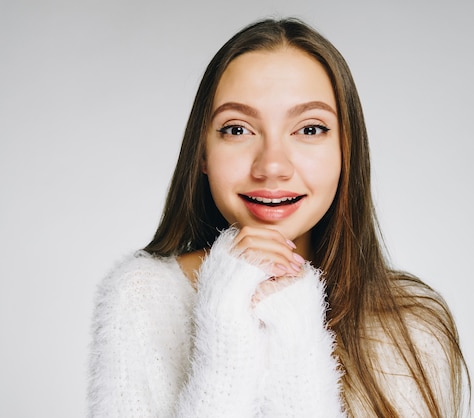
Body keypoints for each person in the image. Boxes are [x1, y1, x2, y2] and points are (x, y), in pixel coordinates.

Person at [87, 18, 471, 417]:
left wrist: (296, 332)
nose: (272, 166)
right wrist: (225, 330)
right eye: (237, 129)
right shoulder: (143, 298)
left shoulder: (412, 326)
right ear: (202, 152)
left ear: (346, 150)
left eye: (309, 129)